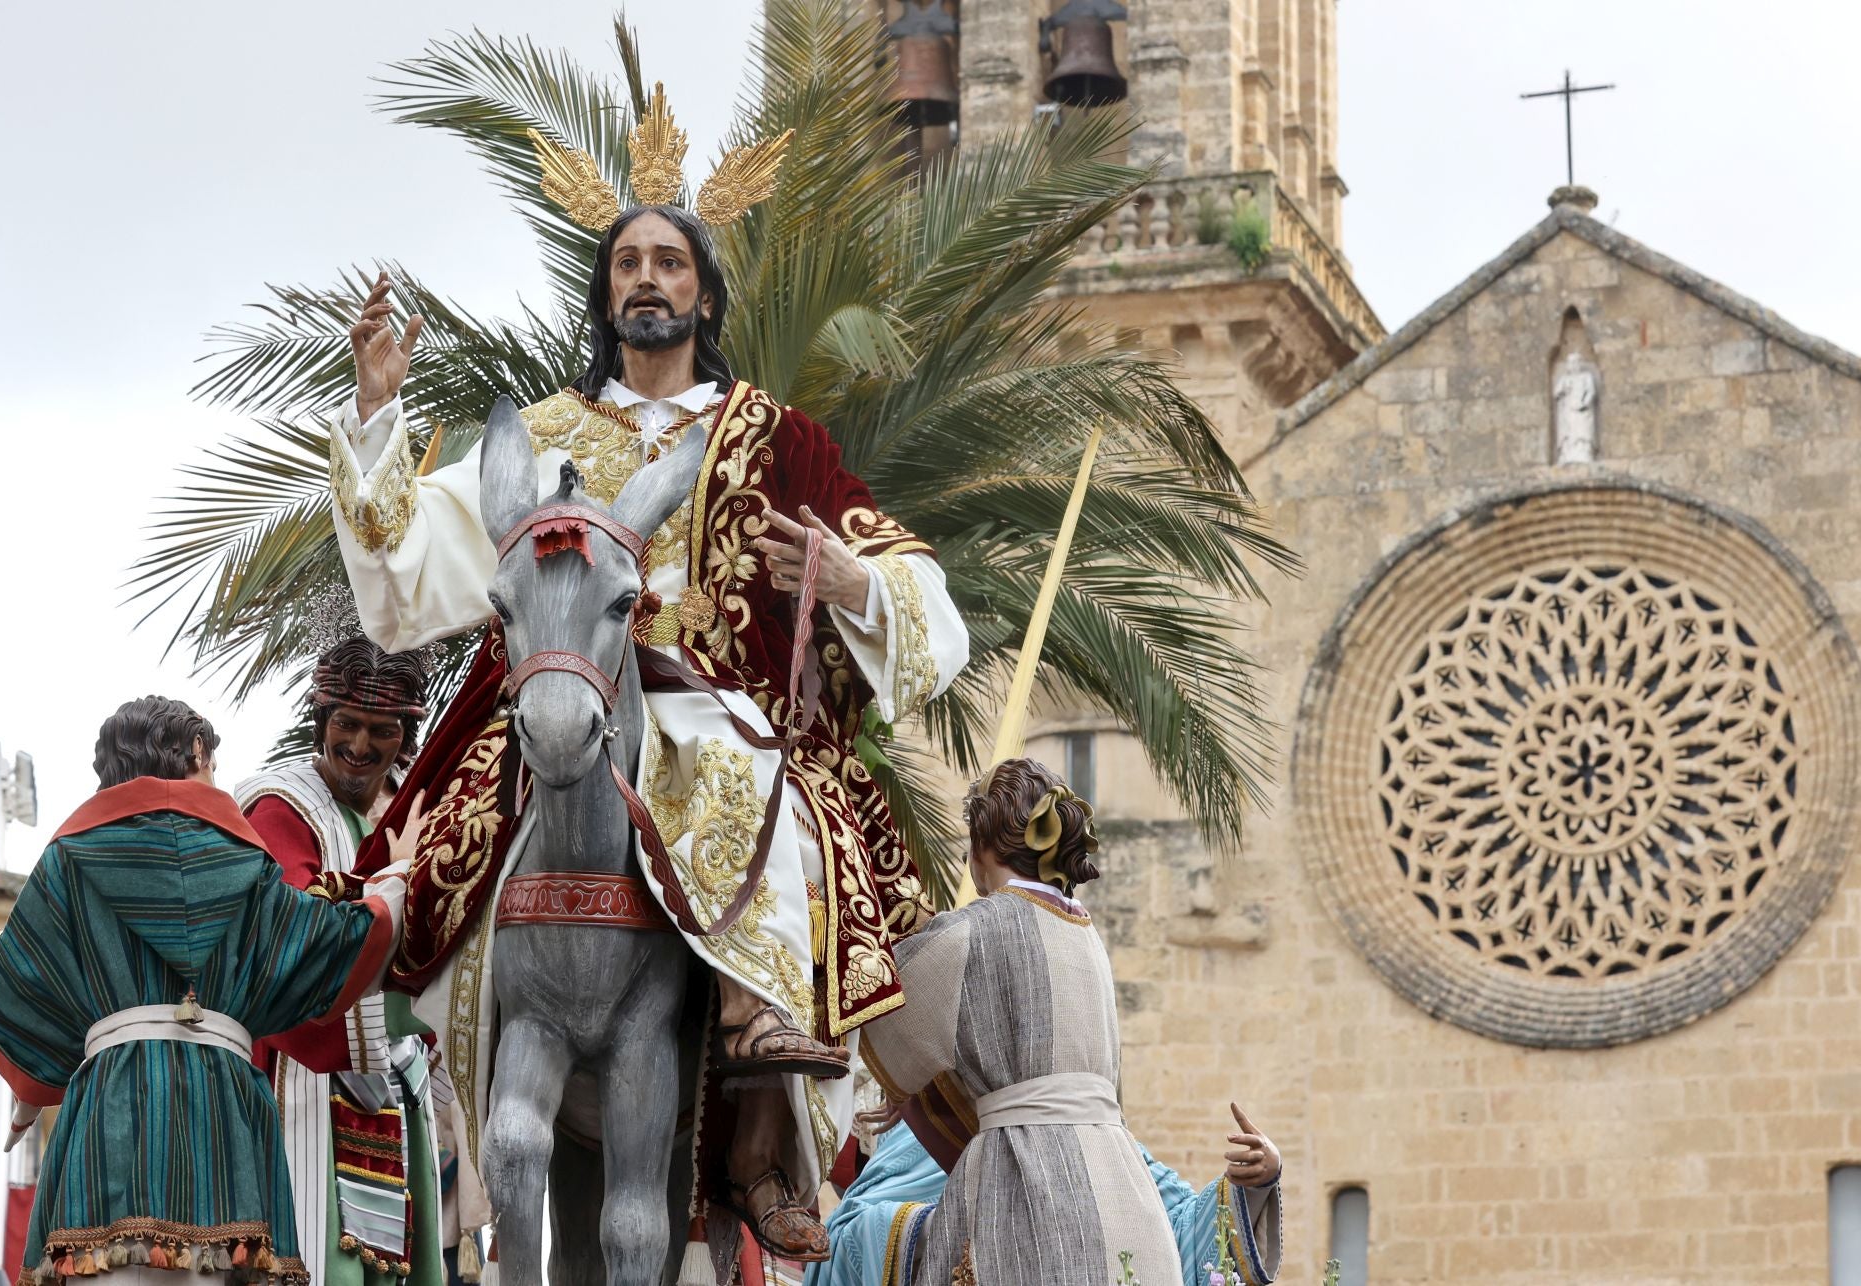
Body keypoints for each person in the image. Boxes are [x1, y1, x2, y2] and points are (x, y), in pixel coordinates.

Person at [328, 91, 968, 1261]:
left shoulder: (779, 438)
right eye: (627, 261)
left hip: (724, 712)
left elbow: (922, 596)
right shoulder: (545, 432)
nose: (648, 278)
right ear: (607, 294)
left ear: (705, 295)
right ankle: (437, 1070)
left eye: (670, 260)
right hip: (568, 700)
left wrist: (842, 579)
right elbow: (411, 567)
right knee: (427, 866)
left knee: (746, 784)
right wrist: (378, 415)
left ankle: (764, 1082)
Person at [0, 697, 414, 1284]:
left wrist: (31, 1089)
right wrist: (395, 887)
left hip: (114, 1099)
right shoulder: (246, 863)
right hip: (223, 1104)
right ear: (191, 754)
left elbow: (24, 983)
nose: (215, 779)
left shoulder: (66, 860)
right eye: (210, 764)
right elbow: (318, 947)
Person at [858, 758, 1183, 1284]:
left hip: (1022, 1176)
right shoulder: (1087, 935)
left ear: (982, 846)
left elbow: (883, 1017)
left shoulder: (971, 931)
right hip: (1120, 1185)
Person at [235, 638, 448, 1285]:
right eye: (346, 724)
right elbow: (294, 952)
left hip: (393, 1081)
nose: (360, 745)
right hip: (304, 1079)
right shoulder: (278, 806)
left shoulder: (411, 811)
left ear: (405, 736)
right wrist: (398, 883)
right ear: (320, 720)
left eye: (381, 730)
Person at [811, 1103, 1283, 1286]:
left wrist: (1255, 1183)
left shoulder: (1090, 1128)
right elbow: (850, 1239)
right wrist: (940, 1234)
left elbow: (1175, 1225)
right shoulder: (920, 1136)